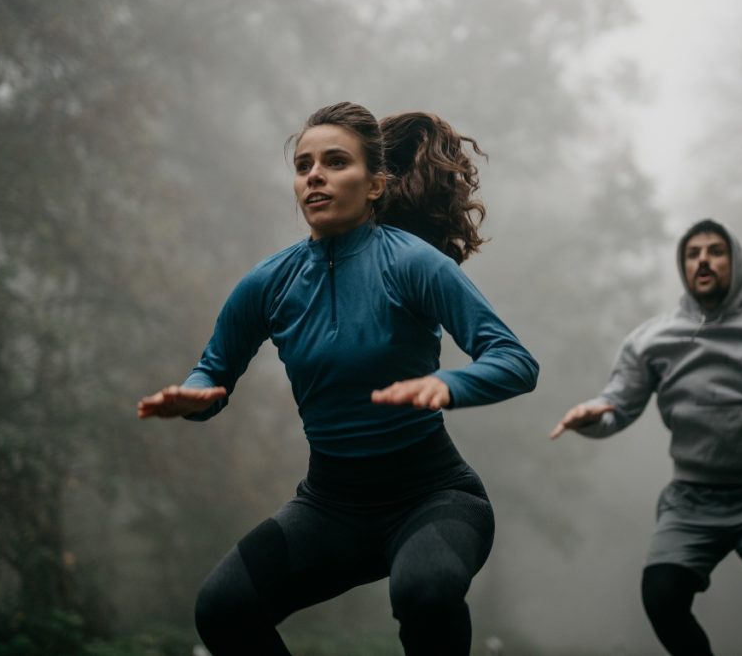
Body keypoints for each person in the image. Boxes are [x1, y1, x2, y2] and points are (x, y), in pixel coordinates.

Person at [138, 102, 538, 655]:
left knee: (425, 593)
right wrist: (197, 396)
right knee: (223, 609)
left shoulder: (413, 264)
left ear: (375, 185)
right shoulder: (268, 283)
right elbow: (213, 371)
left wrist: (448, 385)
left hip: (434, 496)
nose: (315, 176)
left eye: (334, 162)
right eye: (303, 166)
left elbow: (515, 361)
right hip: (329, 507)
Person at [549, 219, 742, 656]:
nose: (703, 260)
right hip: (690, 500)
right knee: (661, 597)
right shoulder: (651, 339)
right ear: (683, 266)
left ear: (737, 261)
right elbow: (617, 405)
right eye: (693, 254)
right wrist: (590, 416)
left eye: (715, 251)